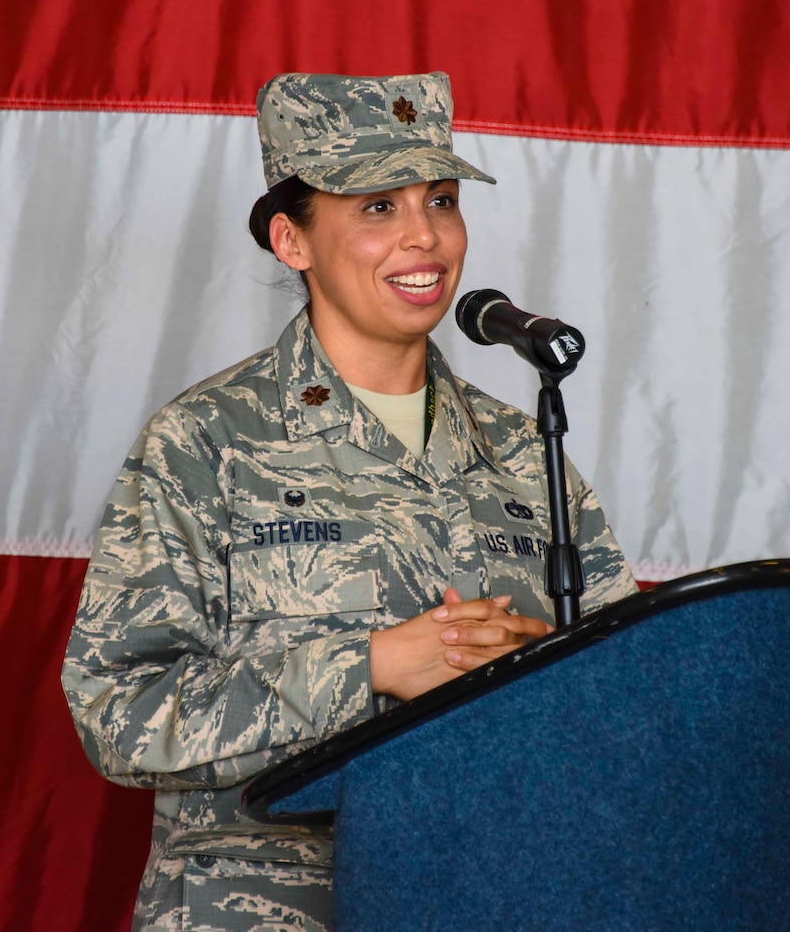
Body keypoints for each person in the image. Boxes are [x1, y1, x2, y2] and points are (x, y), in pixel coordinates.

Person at [63, 72, 637, 931]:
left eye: (441, 201)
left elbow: (633, 702)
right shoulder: (206, 441)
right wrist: (370, 668)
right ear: (291, 240)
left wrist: (538, 669)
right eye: (377, 207)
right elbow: (119, 714)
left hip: (487, 899)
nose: (426, 239)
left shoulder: (524, 450)